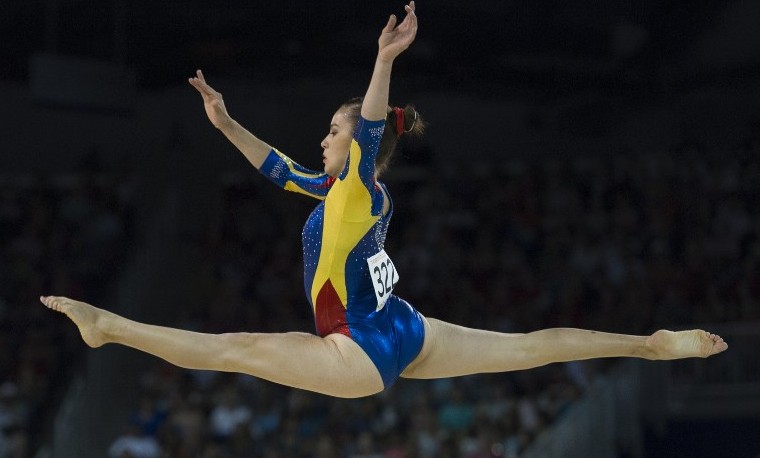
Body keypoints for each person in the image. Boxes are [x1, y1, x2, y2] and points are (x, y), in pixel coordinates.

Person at [41, 2, 727, 399]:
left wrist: (384, 61)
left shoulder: (361, 184)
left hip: (359, 351)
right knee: (529, 348)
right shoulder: (343, 191)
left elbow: (367, 130)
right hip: (406, 328)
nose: (325, 137)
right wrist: (226, 125)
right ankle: (652, 345)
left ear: (358, 148)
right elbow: (280, 170)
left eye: (332, 131)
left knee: (238, 349)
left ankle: (107, 326)